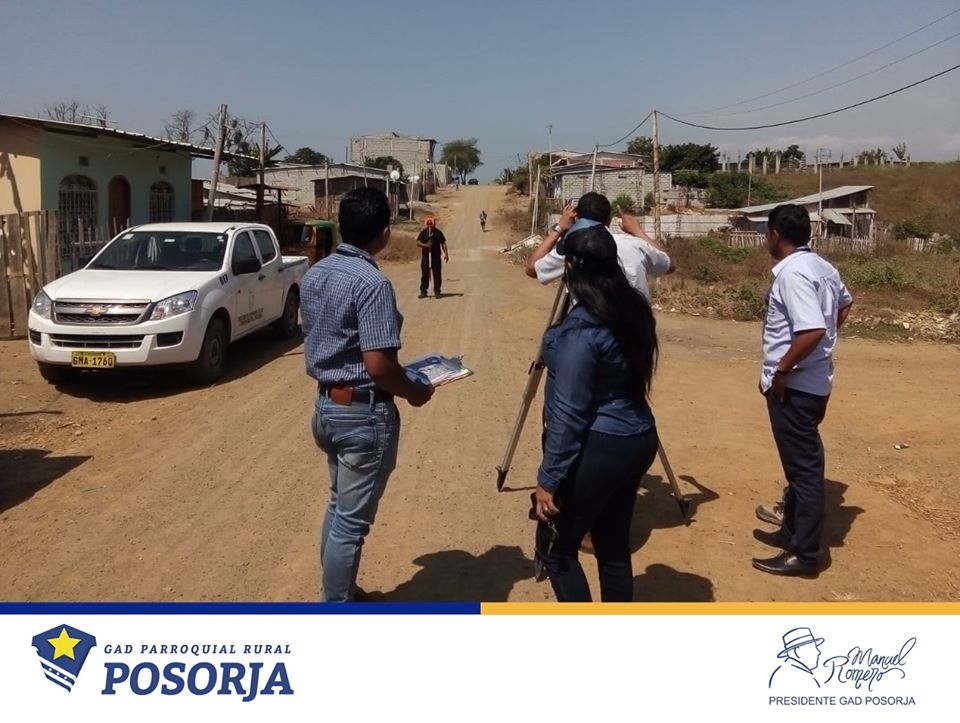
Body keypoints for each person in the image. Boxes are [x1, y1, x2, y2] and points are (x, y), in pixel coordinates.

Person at [301, 187, 434, 602]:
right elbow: (378, 365)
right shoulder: (372, 283)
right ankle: (337, 606)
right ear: (384, 232)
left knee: (339, 507)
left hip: (327, 406)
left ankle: (340, 592)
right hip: (362, 414)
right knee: (351, 524)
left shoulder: (317, 272)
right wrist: (414, 391)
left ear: (341, 226)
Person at [533, 223, 660, 602]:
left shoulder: (579, 331)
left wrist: (549, 479)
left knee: (557, 550)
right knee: (613, 545)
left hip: (599, 446)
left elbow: (569, 413)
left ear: (572, 268)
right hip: (637, 438)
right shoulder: (633, 310)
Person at [752, 204, 853, 578]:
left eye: (767, 233)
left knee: (805, 471)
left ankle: (806, 554)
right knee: (799, 467)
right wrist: (823, 348)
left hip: (795, 387)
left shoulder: (793, 274)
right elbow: (845, 304)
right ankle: (791, 531)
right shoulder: (822, 267)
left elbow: (812, 330)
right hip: (814, 381)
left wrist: (782, 370)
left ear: (776, 234)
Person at [525, 191, 675, 301]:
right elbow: (670, 265)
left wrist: (560, 228)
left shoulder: (574, 248)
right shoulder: (636, 244)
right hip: (636, 330)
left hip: (591, 331)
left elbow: (532, 269)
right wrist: (637, 231)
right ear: (609, 220)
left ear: (578, 218)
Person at [416, 217, 448, 299]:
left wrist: (446, 254)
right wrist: (426, 245)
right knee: (425, 274)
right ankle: (423, 291)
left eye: (431, 225)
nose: (430, 226)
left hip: (436, 257)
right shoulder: (423, 233)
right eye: (428, 225)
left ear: (434, 224)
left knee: (437, 275)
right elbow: (418, 242)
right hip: (426, 257)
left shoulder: (438, 233)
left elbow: (443, 243)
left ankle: (437, 291)